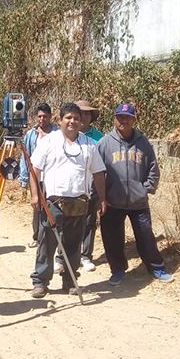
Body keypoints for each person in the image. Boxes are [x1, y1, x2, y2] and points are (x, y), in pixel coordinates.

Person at [28, 102, 106, 298]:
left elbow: (98, 173)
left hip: (80, 202)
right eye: (68, 118)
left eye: (76, 118)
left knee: (73, 244)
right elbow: (34, 169)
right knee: (47, 242)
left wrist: (102, 198)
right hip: (53, 202)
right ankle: (40, 282)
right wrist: (35, 195)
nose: (72, 121)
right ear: (60, 120)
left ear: (81, 122)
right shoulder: (48, 141)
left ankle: (70, 280)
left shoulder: (89, 145)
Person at [97, 102, 174, 285]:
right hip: (112, 201)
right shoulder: (105, 143)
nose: (123, 120)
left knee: (146, 235)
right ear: (114, 119)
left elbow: (153, 169)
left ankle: (156, 267)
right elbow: (96, 172)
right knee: (112, 238)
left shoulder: (143, 143)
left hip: (138, 201)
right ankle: (117, 270)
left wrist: (145, 188)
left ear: (133, 120)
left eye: (127, 117)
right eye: (120, 117)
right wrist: (101, 197)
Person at [19, 103, 58, 249]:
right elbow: (25, 157)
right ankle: (36, 236)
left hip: (52, 176)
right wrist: (23, 178)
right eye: (40, 116)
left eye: (45, 116)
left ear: (50, 117)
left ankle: (51, 234)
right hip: (35, 177)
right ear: (36, 117)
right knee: (37, 207)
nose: (42, 119)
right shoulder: (30, 135)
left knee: (52, 206)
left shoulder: (57, 133)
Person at [75, 100, 105, 272]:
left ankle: (86, 255)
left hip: (91, 187)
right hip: (71, 187)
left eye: (87, 113)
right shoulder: (66, 135)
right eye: (81, 113)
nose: (84, 117)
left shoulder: (99, 138)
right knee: (68, 222)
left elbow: (102, 167)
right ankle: (65, 255)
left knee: (89, 221)